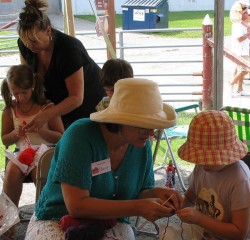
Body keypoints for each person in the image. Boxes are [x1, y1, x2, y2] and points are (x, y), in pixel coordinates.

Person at [24, 78, 183, 240]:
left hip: (113, 221)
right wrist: (139, 207)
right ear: (120, 120)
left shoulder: (141, 145)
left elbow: (141, 192)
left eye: (153, 126)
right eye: (144, 126)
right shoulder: (80, 136)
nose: (150, 134)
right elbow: (77, 206)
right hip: (56, 217)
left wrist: (158, 194)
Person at [17, 0, 105, 129]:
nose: (29, 46)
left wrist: (47, 115)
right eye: (25, 41)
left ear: (48, 31)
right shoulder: (25, 45)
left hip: (90, 101)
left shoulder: (69, 49)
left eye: (34, 41)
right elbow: (28, 80)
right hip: (58, 103)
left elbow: (76, 98)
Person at [176, 110, 250, 240]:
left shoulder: (240, 180)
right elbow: (190, 196)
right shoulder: (201, 166)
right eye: (200, 157)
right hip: (204, 233)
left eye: (209, 158)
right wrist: (178, 205)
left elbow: (239, 232)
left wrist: (199, 219)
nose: (203, 163)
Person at [1, 64, 64, 208]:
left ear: (33, 86)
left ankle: (45, 211)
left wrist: (42, 131)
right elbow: (4, 139)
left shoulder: (47, 107)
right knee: (11, 172)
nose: (20, 97)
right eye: (15, 93)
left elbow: (61, 136)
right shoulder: (10, 110)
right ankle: (10, 216)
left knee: (40, 173)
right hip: (22, 151)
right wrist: (15, 133)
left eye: (24, 92)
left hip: (46, 150)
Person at [230, 9, 250, 97]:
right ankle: (231, 84)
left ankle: (239, 89)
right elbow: (239, 39)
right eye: (246, 13)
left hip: (245, 50)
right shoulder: (238, 26)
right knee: (245, 70)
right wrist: (247, 34)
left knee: (241, 71)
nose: (248, 14)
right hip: (239, 51)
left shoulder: (245, 25)